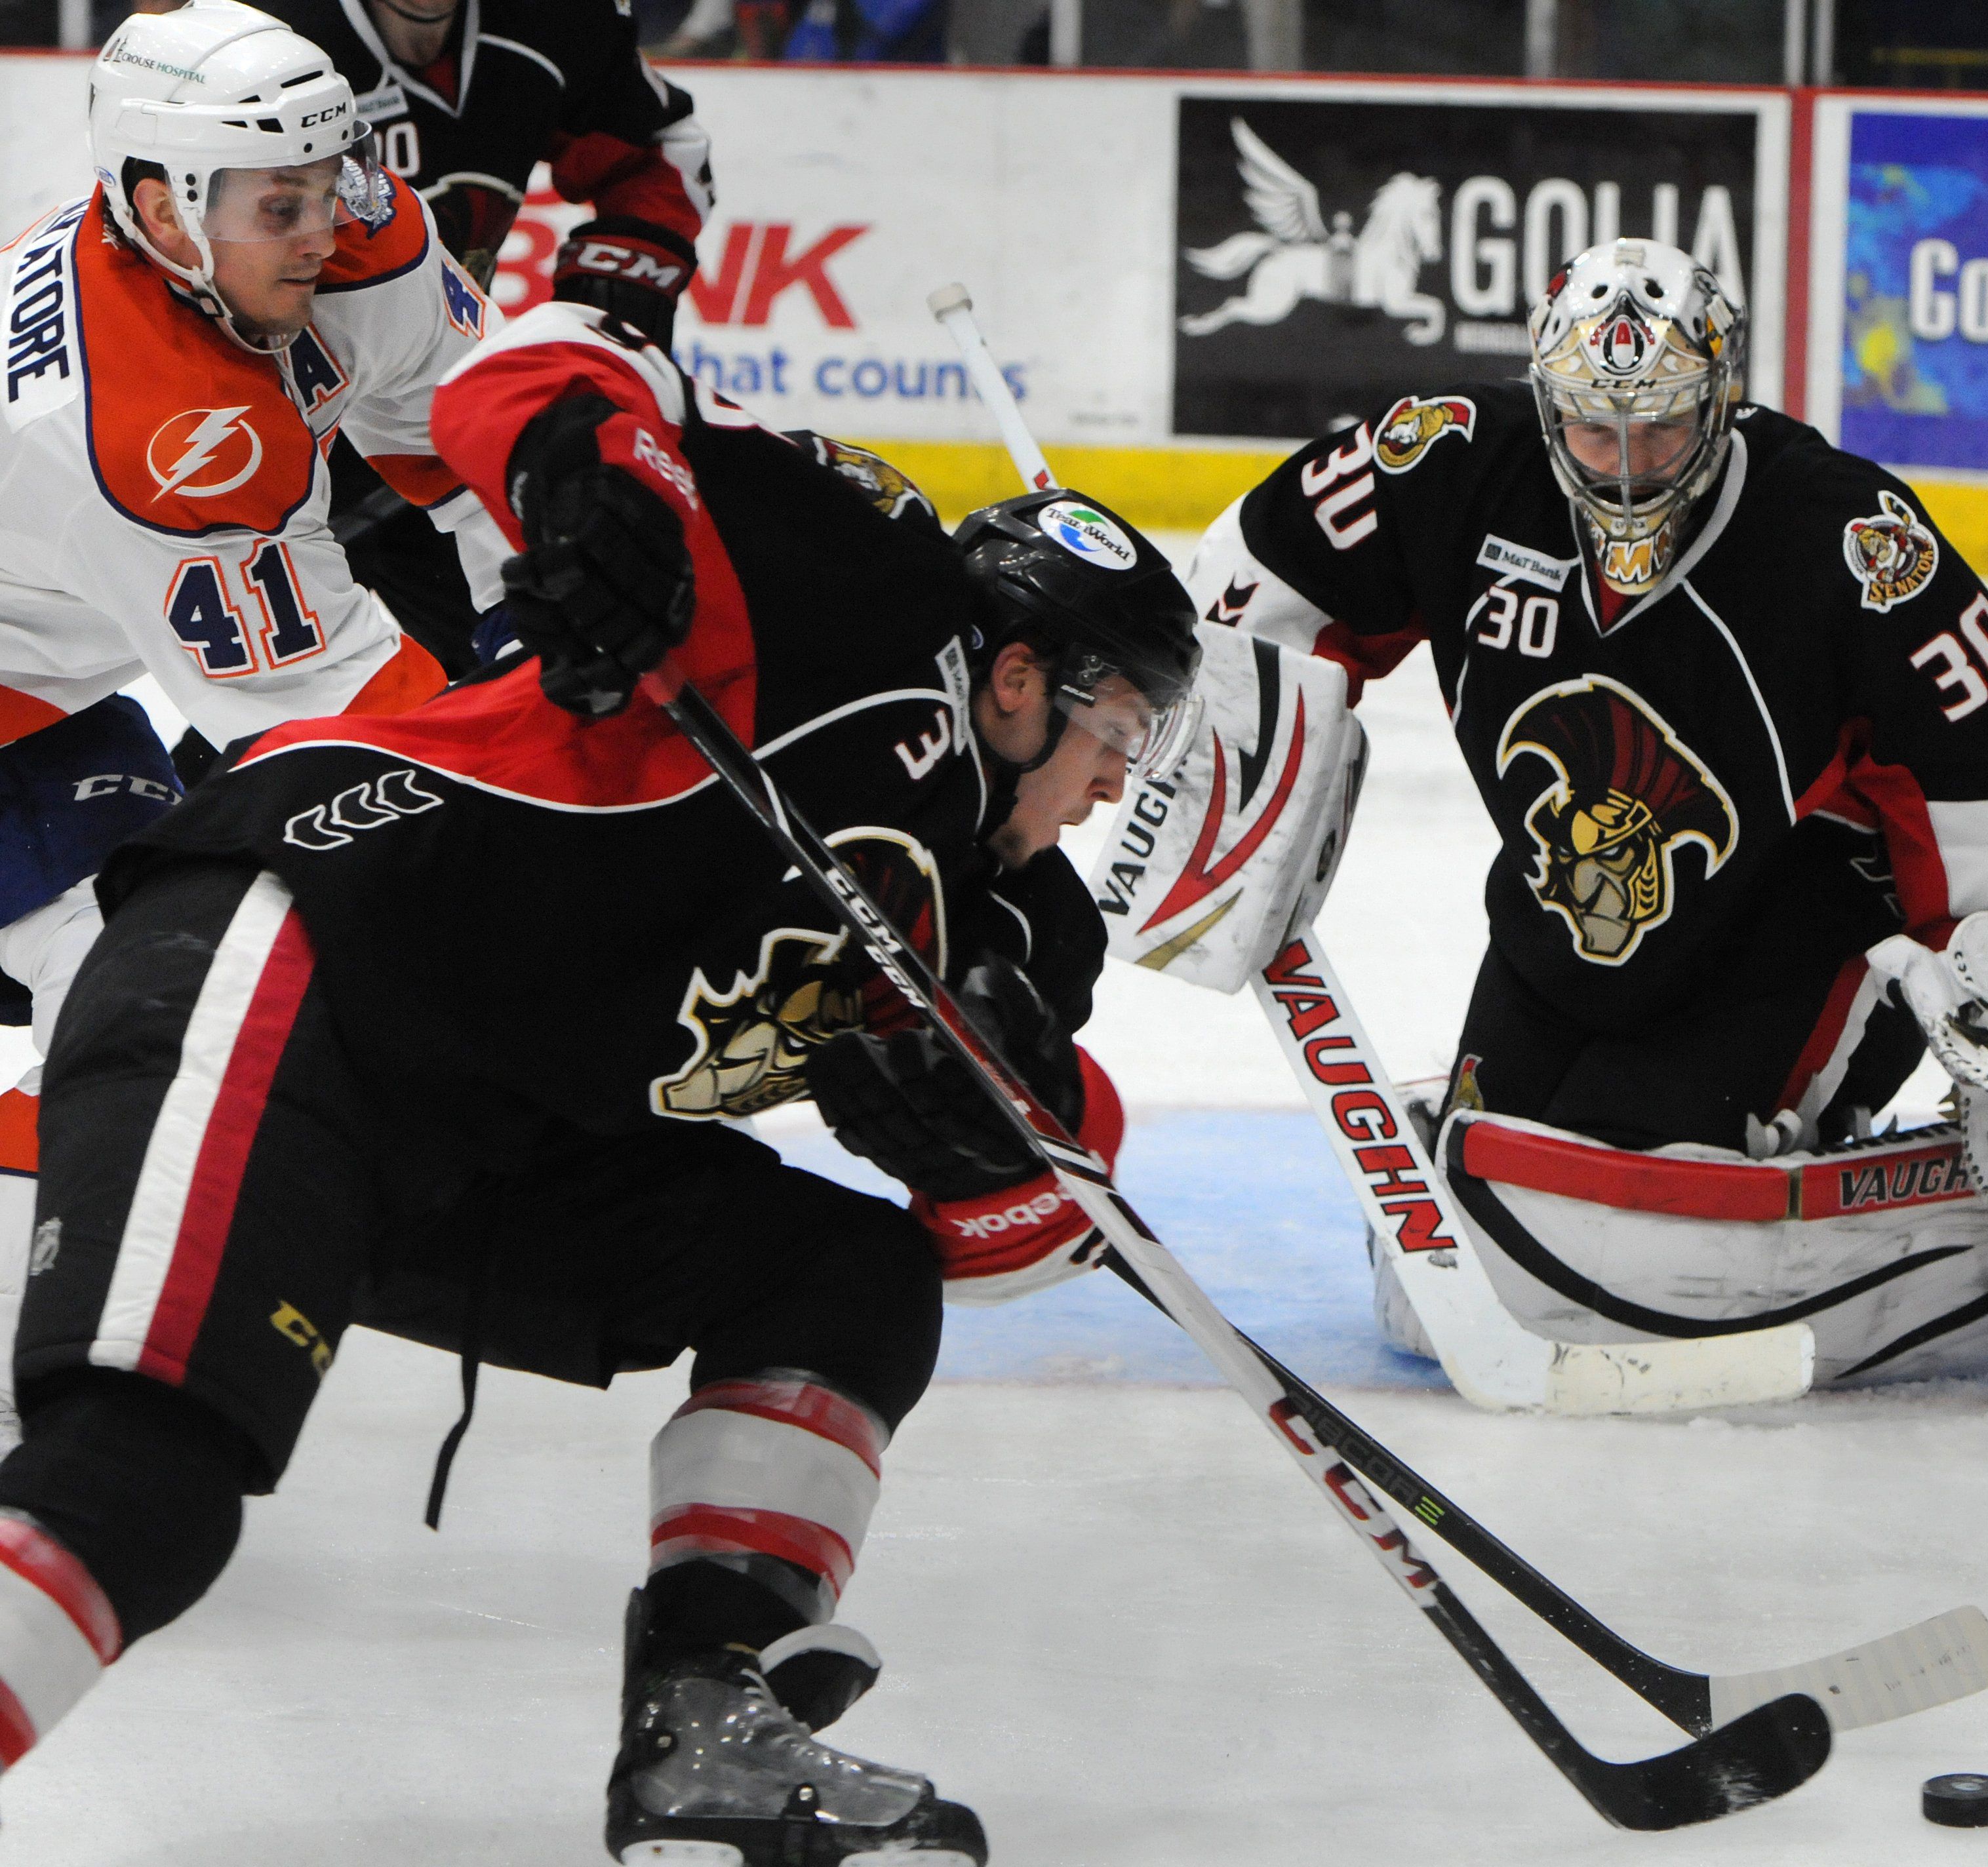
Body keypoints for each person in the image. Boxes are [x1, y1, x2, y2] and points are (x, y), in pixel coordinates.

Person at [0, 286, 1198, 1863]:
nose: (1119, 776)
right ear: (1022, 675)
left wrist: (984, 1134)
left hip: (480, 1127)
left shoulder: (1005, 914)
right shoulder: (856, 602)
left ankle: (707, 1718)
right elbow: (549, 355)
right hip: (297, 956)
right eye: (1117, 718)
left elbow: (1038, 1225)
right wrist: (592, 488)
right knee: (138, 1490)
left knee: (843, 1271)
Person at [1184, 237, 1988, 1385]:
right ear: (1544, 401)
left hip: (1795, 920)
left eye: (1658, 425)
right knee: (1469, 1212)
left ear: (1721, 397)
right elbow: (1246, 591)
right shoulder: (1453, 460)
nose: (1623, 468)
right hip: (1564, 920)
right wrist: (1231, 773)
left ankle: (1980, 1259)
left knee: (1628, 1213)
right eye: (1593, 428)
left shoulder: (1842, 537)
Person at [0, 0, 510, 1411]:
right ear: (160, 211)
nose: (321, 228)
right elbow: (348, 735)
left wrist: (559, 578)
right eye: (279, 204)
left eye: (328, 181)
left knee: (159, 964)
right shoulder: (144, 434)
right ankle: (82, 1380)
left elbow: (478, 421)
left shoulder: (340, 232)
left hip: (44, 675)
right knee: (148, 989)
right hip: (26, 698)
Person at [252, 0, 715, 677]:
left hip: (428, 424)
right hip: (278, 441)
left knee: (546, 663)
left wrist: (620, 282)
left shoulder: (552, 20)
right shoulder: (261, 39)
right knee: (264, 717)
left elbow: (656, 152)